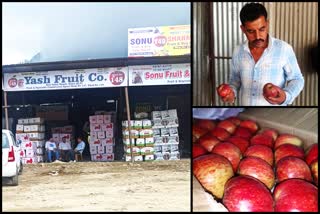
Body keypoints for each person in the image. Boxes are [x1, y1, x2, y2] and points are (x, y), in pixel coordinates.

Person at [220, 3, 304, 106]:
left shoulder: (284, 49)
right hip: (246, 113)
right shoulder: (238, 51)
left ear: (267, 24)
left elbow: (297, 79)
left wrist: (286, 96)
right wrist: (231, 93)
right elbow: (235, 79)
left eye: (262, 29)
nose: (258, 36)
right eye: (251, 31)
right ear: (243, 29)